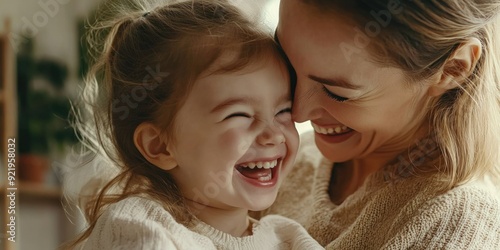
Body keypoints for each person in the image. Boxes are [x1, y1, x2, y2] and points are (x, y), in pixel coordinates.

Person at [63, 0, 323, 249]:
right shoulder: (139, 223)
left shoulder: (287, 237)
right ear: (160, 146)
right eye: (239, 115)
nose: (273, 135)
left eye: (283, 111)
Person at [258, 0, 500, 249]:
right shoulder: (287, 159)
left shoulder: (453, 221)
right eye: (288, 68)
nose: (297, 114)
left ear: (453, 68)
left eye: (337, 92)